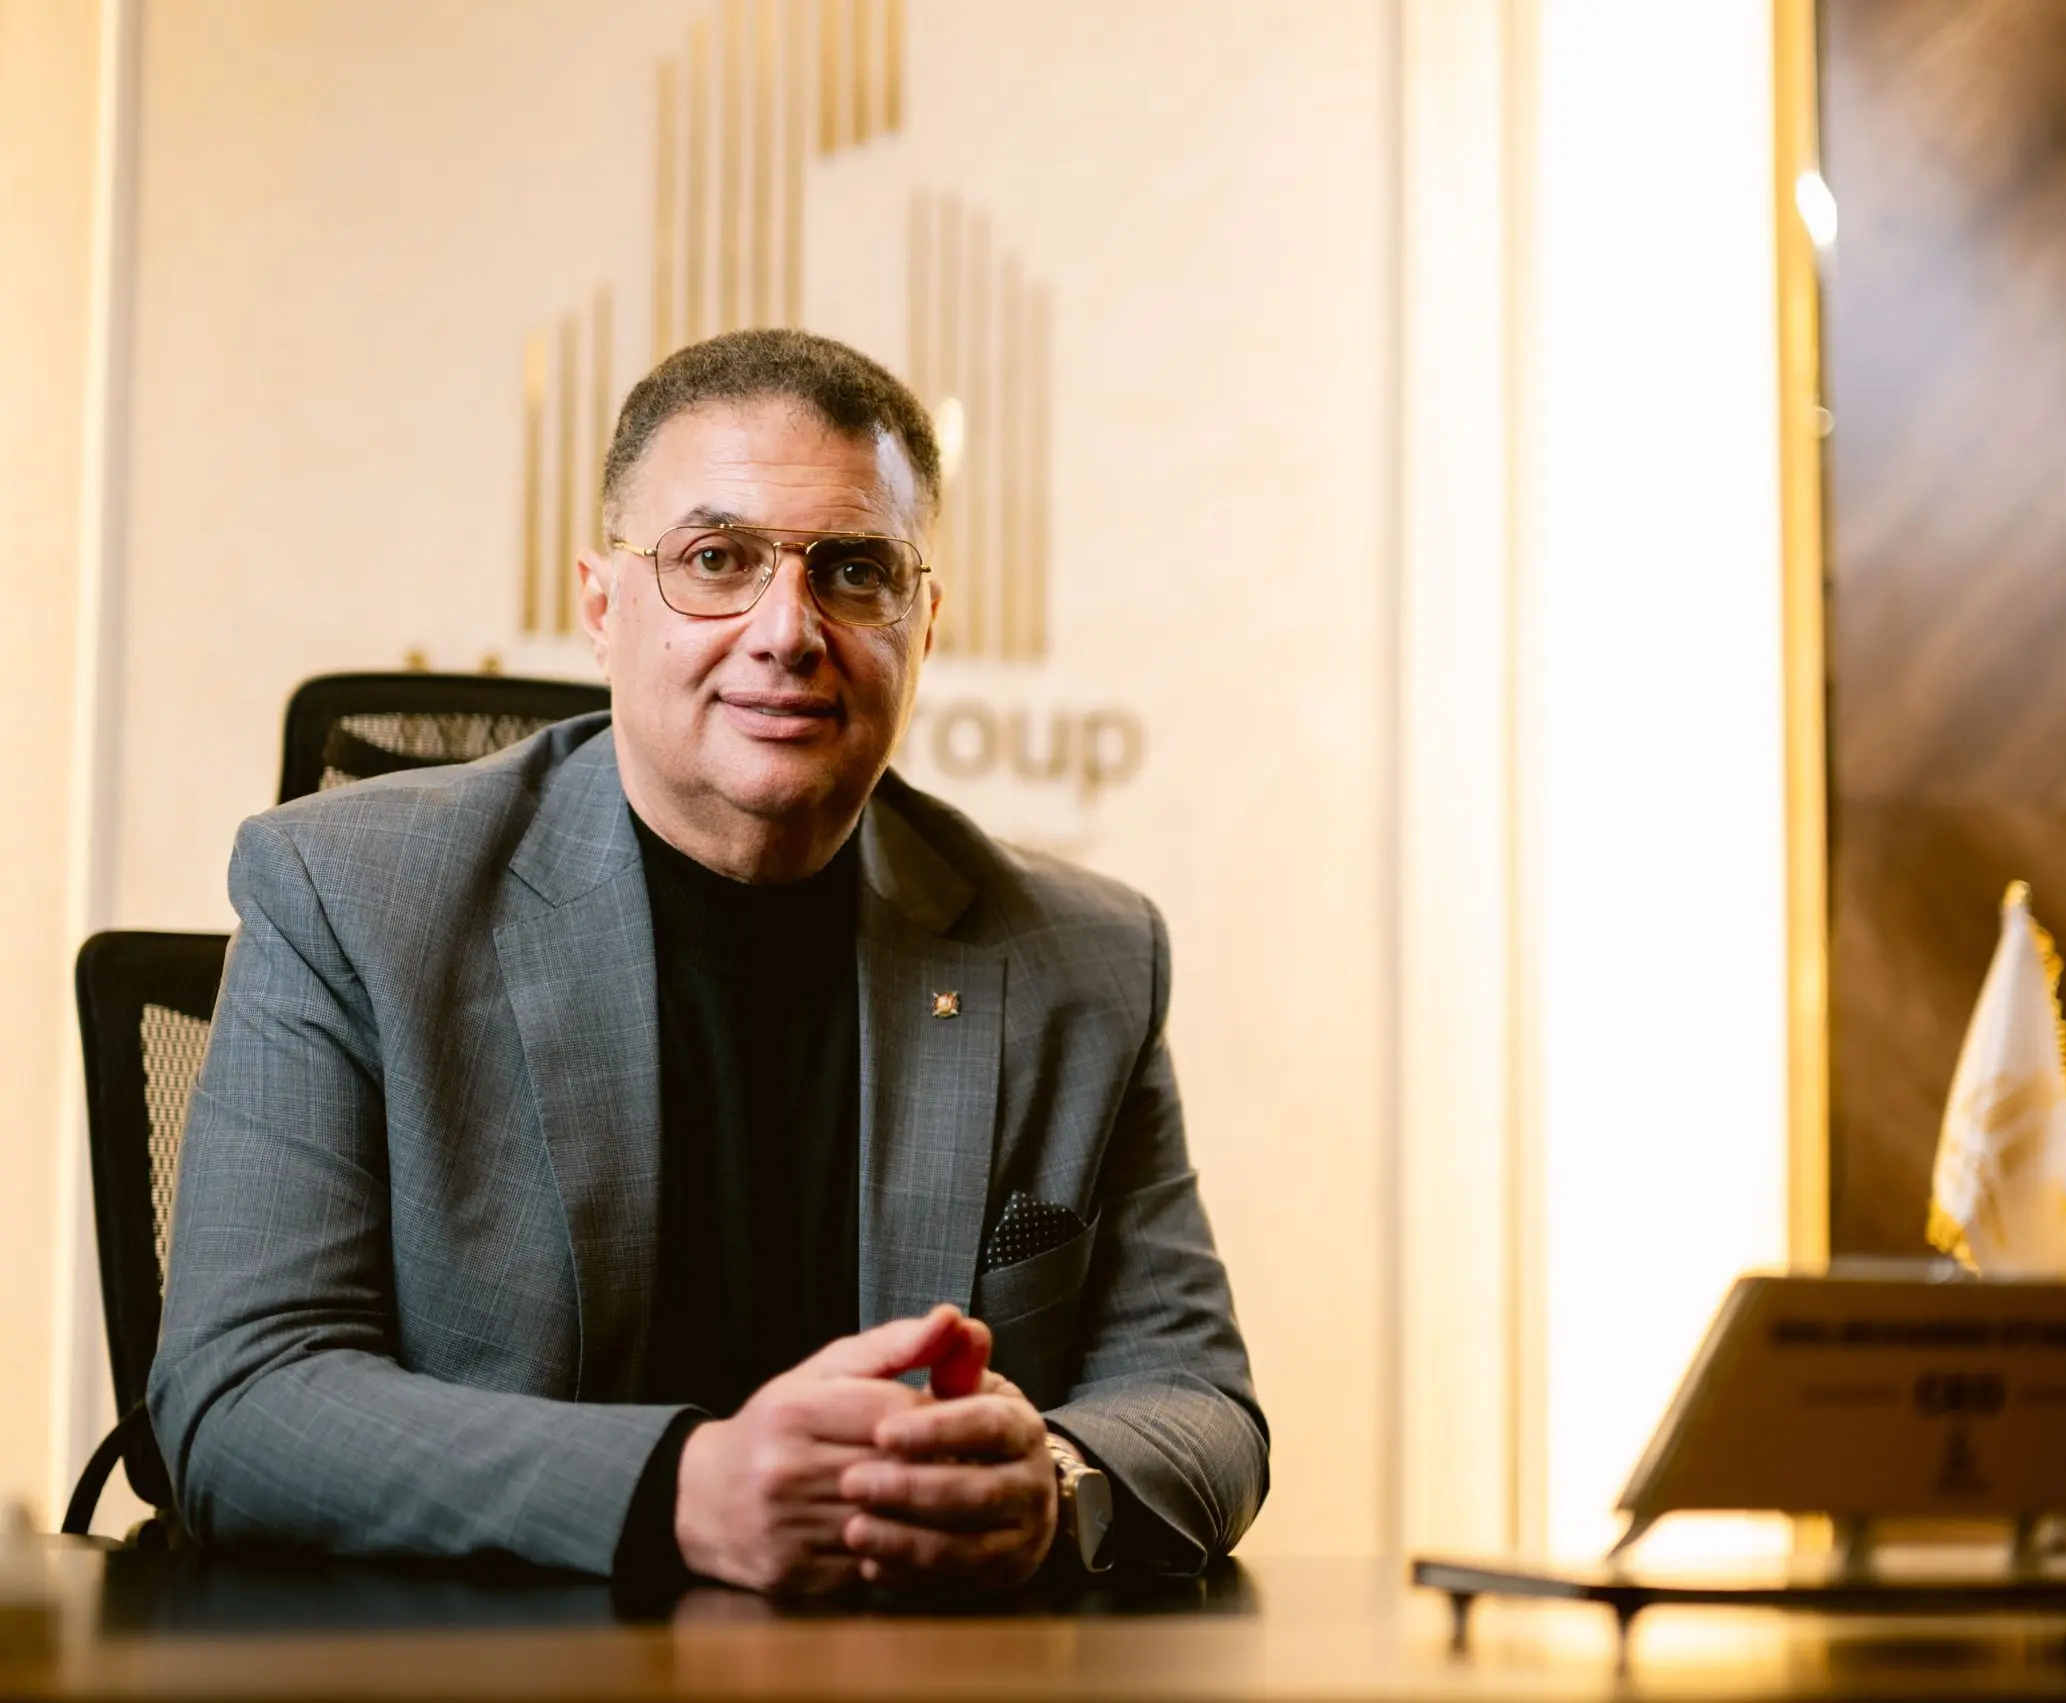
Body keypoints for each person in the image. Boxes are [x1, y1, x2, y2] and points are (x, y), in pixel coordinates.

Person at [149, 328, 1265, 1593]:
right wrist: (683, 1489)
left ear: (925, 622)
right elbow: (239, 1397)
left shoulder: (1085, 958)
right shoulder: (348, 894)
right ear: (601, 605)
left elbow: (1199, 1401)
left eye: (855, 570)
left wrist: (1055, 1484)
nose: (787, 631)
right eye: (716, 560)